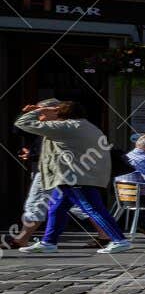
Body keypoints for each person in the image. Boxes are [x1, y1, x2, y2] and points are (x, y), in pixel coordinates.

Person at [13, 101, 130, 254]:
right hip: (78, 176)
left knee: (93, 208)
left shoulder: (65, 127)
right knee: (56, 209)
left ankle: (119, 240)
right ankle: (49, 242)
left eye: (49, 112)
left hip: (74, 177)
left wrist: (40, 110)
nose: (43, 114)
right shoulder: (86, 126)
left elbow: (23, 123)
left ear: (58, 114)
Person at [5, 132, 47, 249]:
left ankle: (22, 240)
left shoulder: (52, 126)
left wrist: (32, 153)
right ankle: (103, 234)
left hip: (47, 170)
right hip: (48, 168)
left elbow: (18, 125)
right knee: (74, 204)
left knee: (35, 204)